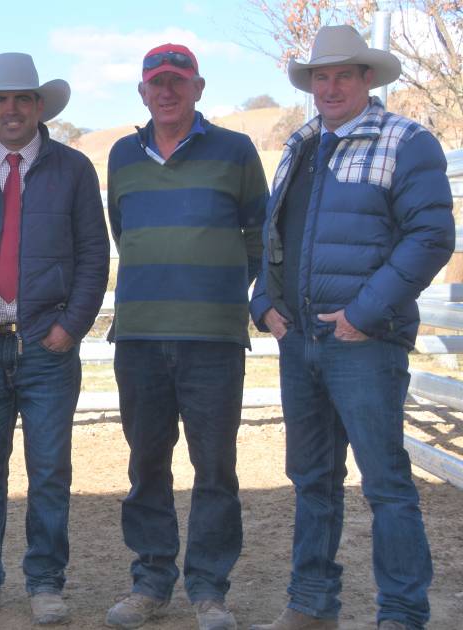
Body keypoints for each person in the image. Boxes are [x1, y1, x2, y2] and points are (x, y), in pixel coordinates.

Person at [248, 25, 454, 630]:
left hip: (364, 342)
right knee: (312, 480)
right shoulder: (300, 145)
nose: (330, 86)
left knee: (386, 483)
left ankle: (402, 613)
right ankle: (311, 606)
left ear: (368, 79)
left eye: (343, 74)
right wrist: (265, 300)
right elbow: (274, 235)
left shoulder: (406, 141)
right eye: (320, 76)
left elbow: (430, 236)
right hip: (300, 341)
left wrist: (363, 315)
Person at [104, 43, 269, 630]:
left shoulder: (237, 150)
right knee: (147, 462)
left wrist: (217, 290)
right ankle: (150, 582)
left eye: (178, 81)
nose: (167, 92)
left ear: (199, 87)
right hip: (141, 337)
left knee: (215, 466)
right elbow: (125, 232)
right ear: (142, 91)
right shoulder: (122, 155)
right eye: (157, 83)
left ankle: (209, 590)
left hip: (214, 340)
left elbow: (259, 233)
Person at [0, 52, 109, 625]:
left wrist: (72, 325)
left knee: (49, 468)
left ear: (39, 106)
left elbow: (94, 254)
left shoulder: (73, 170)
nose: (10, 109)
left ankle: (44, 581)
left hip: (47, 343)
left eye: (21, 99)